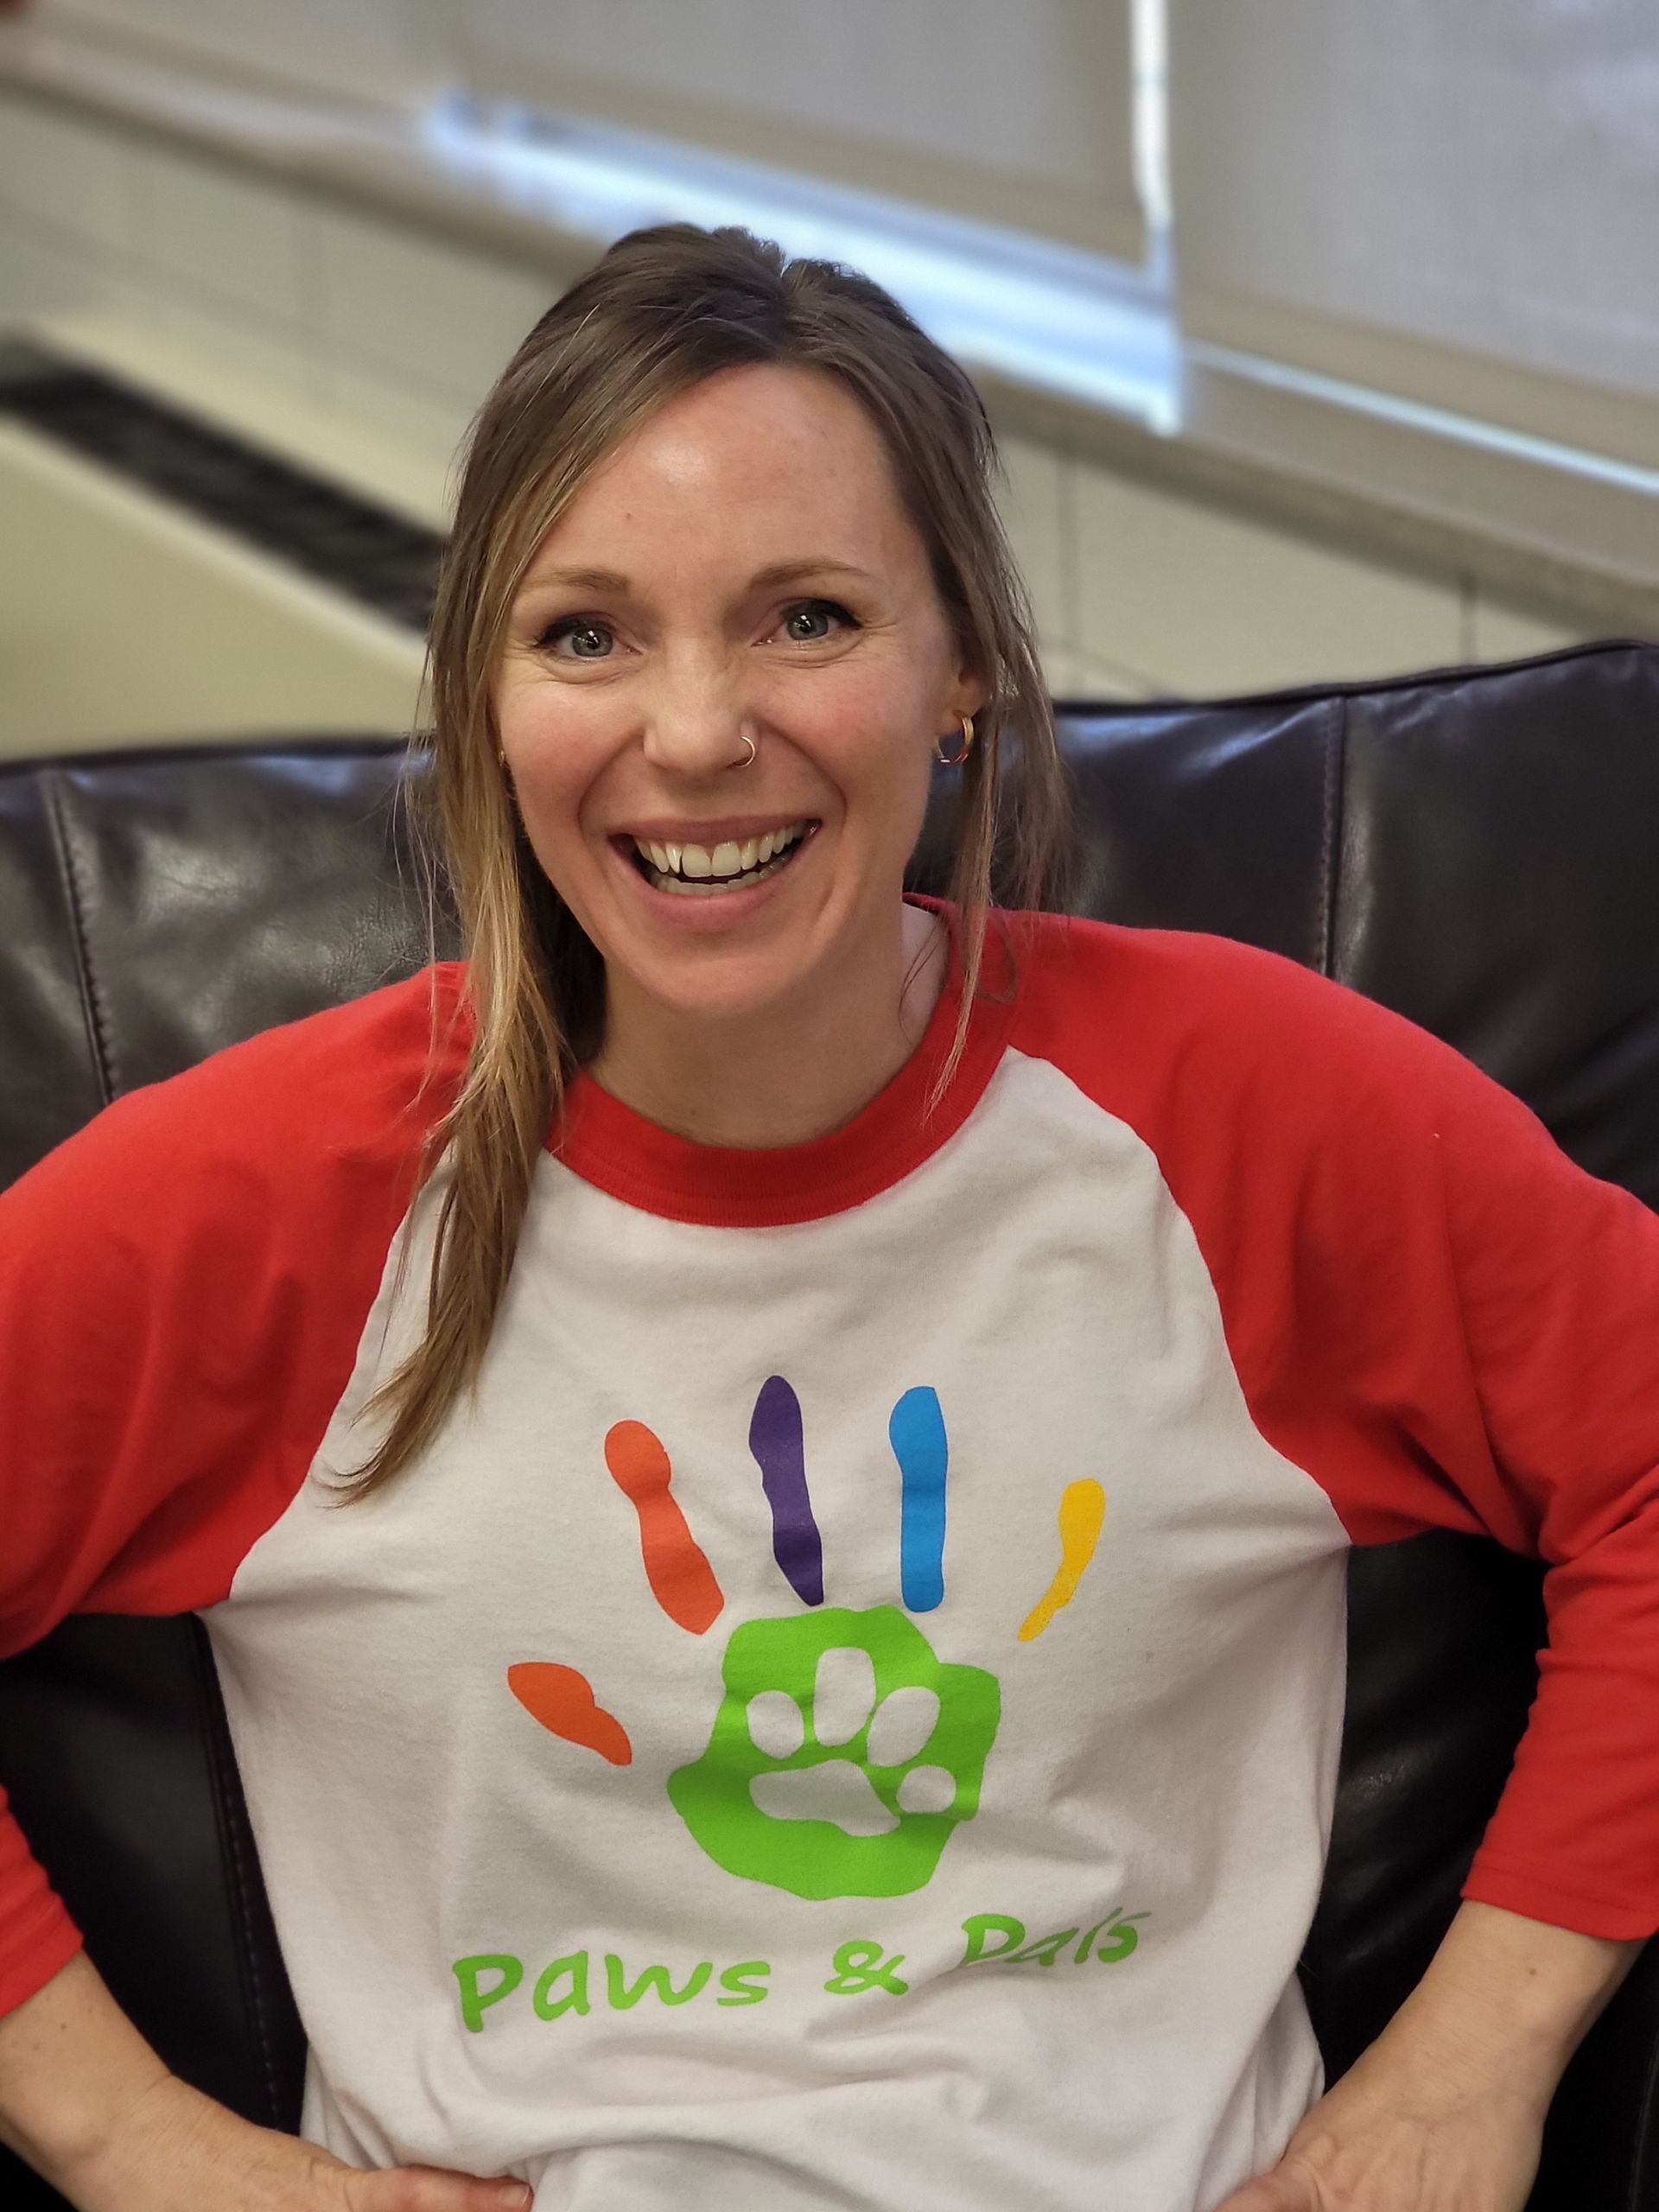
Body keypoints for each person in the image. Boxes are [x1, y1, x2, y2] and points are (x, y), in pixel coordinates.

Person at [0, 221, 1655, 2212]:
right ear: (484, 697)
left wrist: (1476, 2061)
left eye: (805, 617)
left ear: (960, 667)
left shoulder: (1245, 1115)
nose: (694, 731)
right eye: (585, 632)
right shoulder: (279, 1193)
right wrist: (135, 2139)